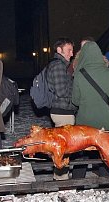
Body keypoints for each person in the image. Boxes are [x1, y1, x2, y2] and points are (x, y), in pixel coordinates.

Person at [71, 41, 109, 178]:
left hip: (85, 125)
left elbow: (75, 101)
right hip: (106, 124)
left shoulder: (79, 75)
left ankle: (77, 183)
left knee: (81, 156)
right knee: (105, 156)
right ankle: (105, 185)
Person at [47, 37, 76, 180]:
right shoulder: (58, 66)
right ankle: (61, 178)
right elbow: (61, 91)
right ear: (59, 50)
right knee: (63, 147)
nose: (72, 53)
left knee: (62, 146)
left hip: (62, 110)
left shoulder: (60, 65)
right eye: (69, 50)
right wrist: (77, 91)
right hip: (62, 111)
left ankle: (60, 175)